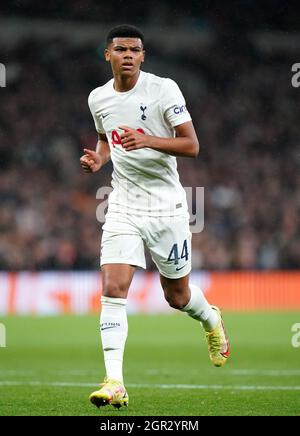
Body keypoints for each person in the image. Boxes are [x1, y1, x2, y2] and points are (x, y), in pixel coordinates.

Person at [80, 24, 230, 409]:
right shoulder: (98, 98)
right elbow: (105, 138)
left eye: (135, 49)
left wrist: (147, 138)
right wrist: (100, 158)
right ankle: (114, 381)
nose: (128, 55)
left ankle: (210, 318)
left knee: (177, 297)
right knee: (113, 289)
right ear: (108, 55)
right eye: (120, 49)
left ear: (143, 56)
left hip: (167, 208)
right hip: (124, 206)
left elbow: (192, 145)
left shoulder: (164, 89)